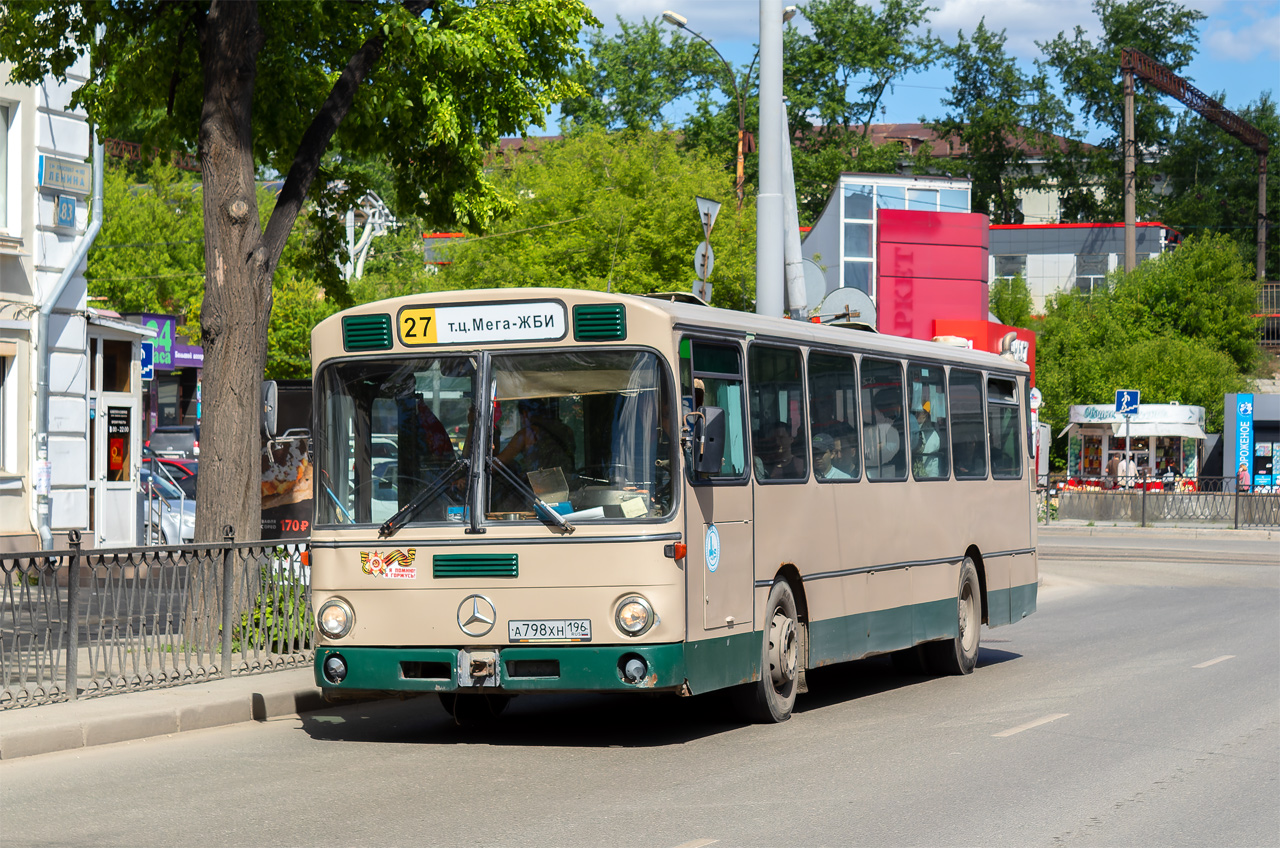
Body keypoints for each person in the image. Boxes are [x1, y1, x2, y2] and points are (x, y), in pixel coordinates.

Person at [909, 401, 942, 478]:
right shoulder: (908, 430)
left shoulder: (933, 437)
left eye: (919, 412)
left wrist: (932, 482)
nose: (915, 415)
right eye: (914, 412)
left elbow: (933, 465)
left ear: (926, 415)